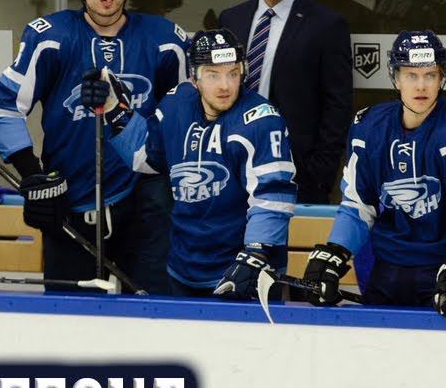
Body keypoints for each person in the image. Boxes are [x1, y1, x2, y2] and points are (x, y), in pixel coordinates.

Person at [0, 0, 187, 293]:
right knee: (70, 318)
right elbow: (0, 108)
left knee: (152, 315)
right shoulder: (50, 37)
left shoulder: (166, 41)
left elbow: (187, 120)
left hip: (146, 212)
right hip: (70, 206)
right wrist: (34, 175)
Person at [90, 28, 296, 298]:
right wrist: (115, 113)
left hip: (244, 271)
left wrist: (255, 255)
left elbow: (273, 195)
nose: (225, 86)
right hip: (184, 267)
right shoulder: (177, 104)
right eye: (213, 74)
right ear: (194, 77)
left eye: (233, 73)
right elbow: (147, 158)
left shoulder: (262, 120)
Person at [302, 30, 446, 314]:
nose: (421, 85)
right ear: (395, 78)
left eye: (430, 75)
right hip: (385, 268)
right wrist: (336, 251)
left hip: (443, 270)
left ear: (442, 78)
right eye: (411, 75)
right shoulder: (368, 127)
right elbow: (358, 205)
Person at [218, 0, 351, 203]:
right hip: (231, 162)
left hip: (296, 170)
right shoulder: (231, 19)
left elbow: (337, 106)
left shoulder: (327, 25)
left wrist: (319, 174)